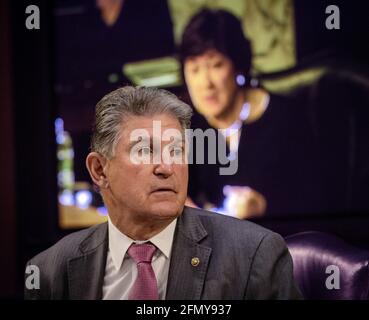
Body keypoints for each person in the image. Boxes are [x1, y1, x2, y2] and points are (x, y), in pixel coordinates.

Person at [24, 86, 301, 300]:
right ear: (99, 170)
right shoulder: (50, 272)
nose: (167, 167)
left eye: (176, 150)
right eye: (145, 151)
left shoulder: (255, 256)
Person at [179, 9, 318, 219]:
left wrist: (264, 207)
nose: (205, 83)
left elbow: (317, 201)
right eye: (194, 69)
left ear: (238, 66)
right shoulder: (189, 127)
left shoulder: (286, 120)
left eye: (216, 65)